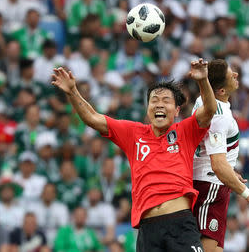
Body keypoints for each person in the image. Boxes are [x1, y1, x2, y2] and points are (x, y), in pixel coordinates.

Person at [51, 58, 217, 252]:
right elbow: (93, 119)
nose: (159, 105)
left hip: (179, 222)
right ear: (147, 109)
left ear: (177, 110)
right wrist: (72, 91)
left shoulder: (186, 130)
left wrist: (203, 80)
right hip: (148, 230)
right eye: (154, 101)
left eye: (166, 101)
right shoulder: (134, 133)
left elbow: (210, 110)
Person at [191, 59, 249, 252]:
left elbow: (212, 154)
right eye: (231, 73)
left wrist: (230, 173)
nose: (236, 74)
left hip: (213, 183)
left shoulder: (205, 101)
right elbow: (217, 164)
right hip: (210, 187)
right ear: (221, 91)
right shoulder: (219, 116)